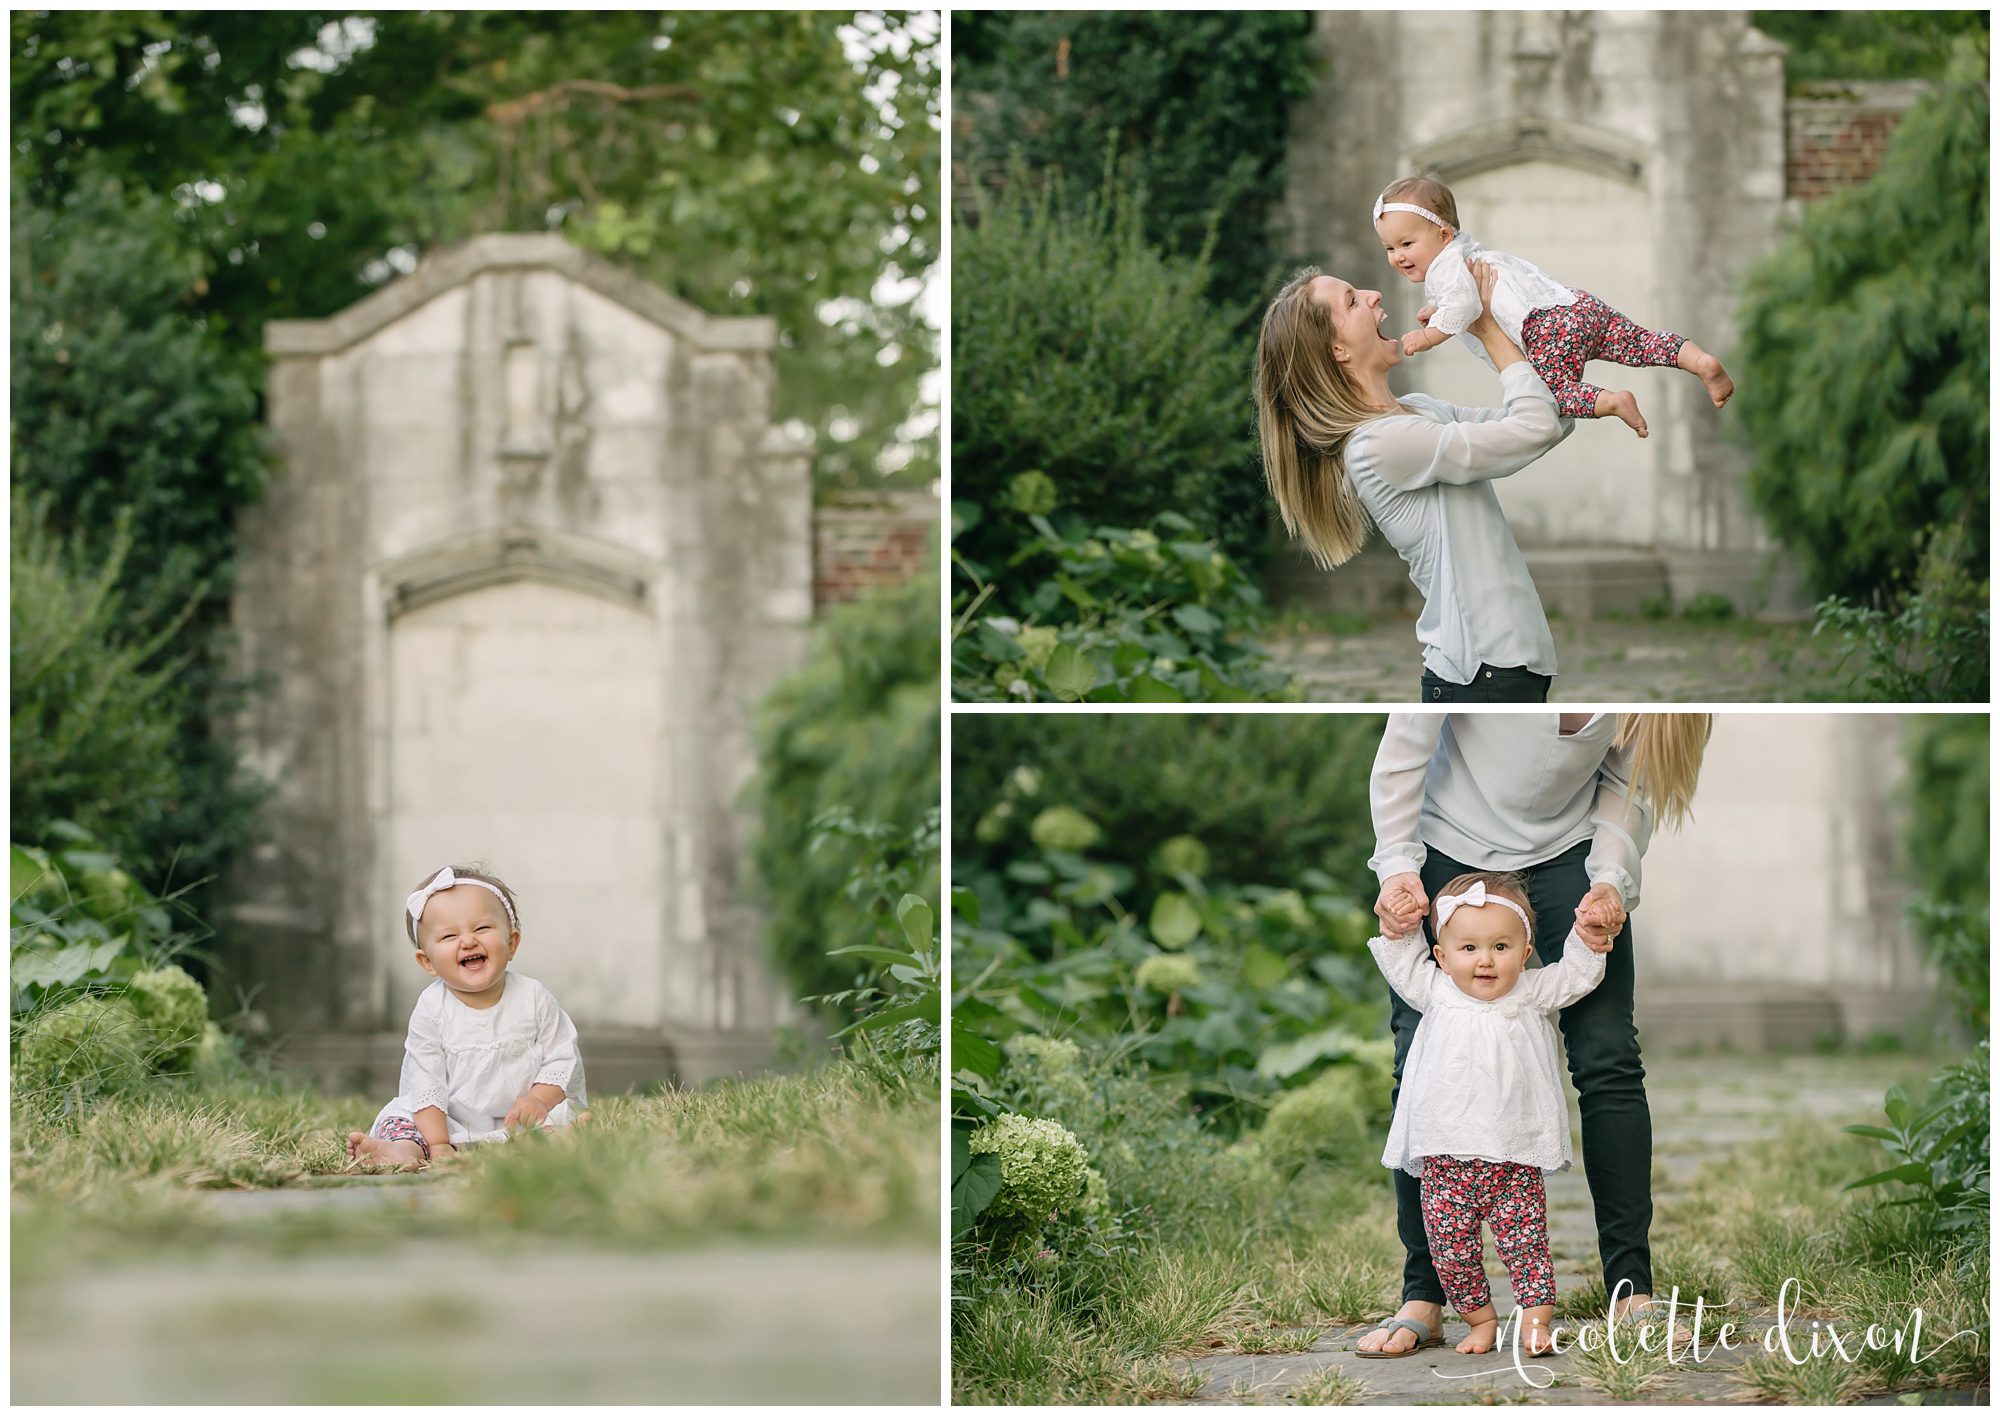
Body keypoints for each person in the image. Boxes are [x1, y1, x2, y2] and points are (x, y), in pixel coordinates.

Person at [1353, 712, 1711, 1357]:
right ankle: (1425, 1296)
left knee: (1609, 1060)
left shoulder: (1649, 707)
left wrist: (1609, 884)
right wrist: (1398, 868)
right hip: (1447, 844)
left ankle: (1632, 1291)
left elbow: (1626, 789)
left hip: (1571, 852)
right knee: (1419, 1059)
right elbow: (1406, 748)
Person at [1255, 255, 1570, 702]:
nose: (1373, 294)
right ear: (1338, 350)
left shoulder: (1420, 411)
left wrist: (1504, 320)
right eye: (1352, 301)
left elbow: (1549, 414)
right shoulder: (1379, 444)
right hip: (1482, 670)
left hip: (1510, 663)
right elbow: (1534, 428)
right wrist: (1485, 329)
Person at [1363, 872, 1617, 1359]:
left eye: (1501, 946)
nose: (1485, 960)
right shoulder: (1434, 990)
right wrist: (1398, 924)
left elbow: (1576, 976)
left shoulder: (1531, 991)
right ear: (1441, 956)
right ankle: (1480, 1321)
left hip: (1512, 1158)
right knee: (1452, 1255)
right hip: (1446, 1159)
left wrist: (1589, 939)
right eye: (1469, 948)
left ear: (1524, 953)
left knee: (1528, 1249)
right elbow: (1400, 961)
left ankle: (1536, 1323)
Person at [1375, 174, 1734, 439]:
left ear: (1443, 235)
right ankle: (1699, 361)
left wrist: (1428, 336)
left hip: (1547, 330)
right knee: (1638, 341)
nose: (1399, 256)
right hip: (1576, 305)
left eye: (1406, 243)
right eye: (1390, 249)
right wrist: (1437, 314)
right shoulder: (1469, 254)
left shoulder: (1445, 270)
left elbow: (1466, 304)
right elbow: (1459, 300)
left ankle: (1612, 402)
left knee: (1549, 397)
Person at [346, 865, 587, 1171]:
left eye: (482, 928)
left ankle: (553, 1142)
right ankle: (402, 1151)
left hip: (517, 1115)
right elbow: (426, 1080)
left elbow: (561, 1058)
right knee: (403, 1119)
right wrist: (438, 1143)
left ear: (512, 943)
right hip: (443, 1118)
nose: (468, 941)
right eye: (449, 935)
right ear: (427, 962)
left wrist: (538, 1100)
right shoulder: (432, 1008)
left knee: (553, 1117)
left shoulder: (533, 997)